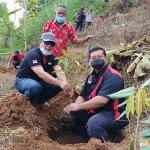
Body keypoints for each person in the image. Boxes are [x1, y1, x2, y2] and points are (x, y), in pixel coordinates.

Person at [64, 46, 129, 142]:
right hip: (93, 112)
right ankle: (95, 136)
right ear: (90, 61)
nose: (96, 60)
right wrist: (73, 108)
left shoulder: (113, 76)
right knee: (68, 117)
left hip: (113, 115)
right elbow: (82, 96)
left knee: (94, 123)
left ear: (106, 59)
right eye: (93, 58)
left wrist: (78, 107)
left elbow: (101, 101)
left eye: (100, 57)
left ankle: (102, 144)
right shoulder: (91, 76)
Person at [14, 32, 74, 109]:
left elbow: (59, 71)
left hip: (39, 81)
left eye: (52, 44)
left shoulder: (52, 57)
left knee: (59, 86)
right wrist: (60, 82)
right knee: (35, 87)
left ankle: (39, 101)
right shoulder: (33, 54)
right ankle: (26, 105)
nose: (49, 46)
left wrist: (65, 83)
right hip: (22, 80)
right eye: (46, 42)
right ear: (40, 42)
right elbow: (41, 74)